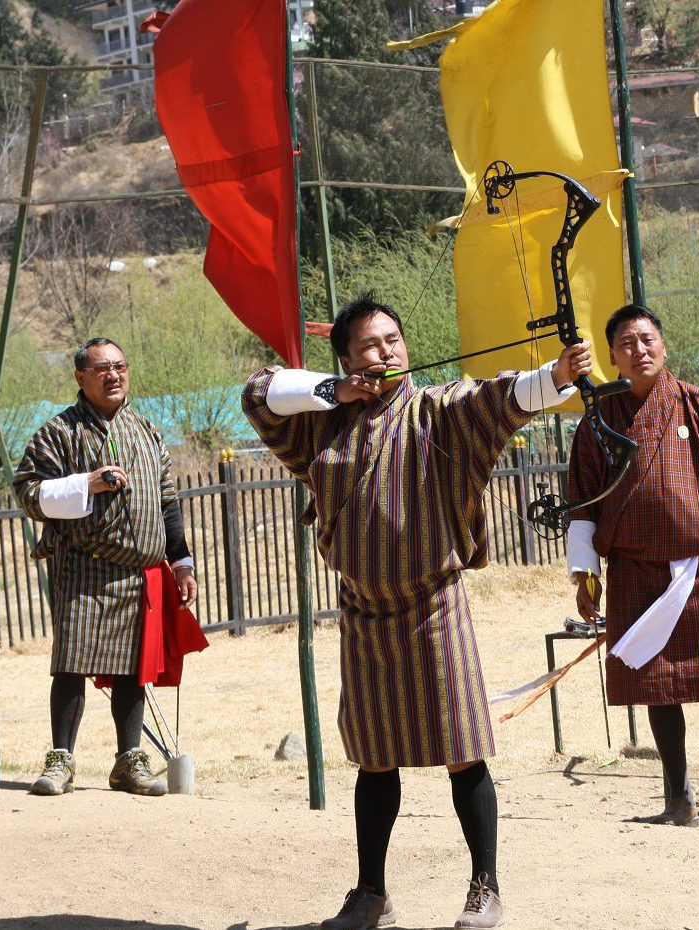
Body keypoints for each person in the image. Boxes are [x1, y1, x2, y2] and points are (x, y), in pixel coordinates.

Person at [242, 294, 592, 930]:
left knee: (463, 747)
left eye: (394, 341)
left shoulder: (437, 411)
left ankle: (484, 887)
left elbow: (497, 398)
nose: (387, 352)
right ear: (345, 360)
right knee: (376, 758)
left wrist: (556, 377)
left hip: (435, 602)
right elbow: (257, 392)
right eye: (371, 345)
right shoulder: (319, 425)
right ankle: (370, 894)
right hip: (364, 610)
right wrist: (334, 393)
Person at [567, 304, 699, 834]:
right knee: (654, 683)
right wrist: (585, 573)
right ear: (612, 358)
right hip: (635, 572)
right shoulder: (597, 422)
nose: (640, 350)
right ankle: (677, 797)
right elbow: (583, 502)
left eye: (647, 339)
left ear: (664, 345)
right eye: (627, 344)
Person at [14, 337, 199, 797]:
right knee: (72, 663)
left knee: (134, 669)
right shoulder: (59, 432)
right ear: (81, 378)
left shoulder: (147, 431)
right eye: (102, 369)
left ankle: (128, 763)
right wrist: (86, 484)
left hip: (140, 571)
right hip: (83, 566)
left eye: (120, 366)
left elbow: (167, 500)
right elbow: (27, 492)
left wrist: (181, 562)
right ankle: (61, 761)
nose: (113, 375)